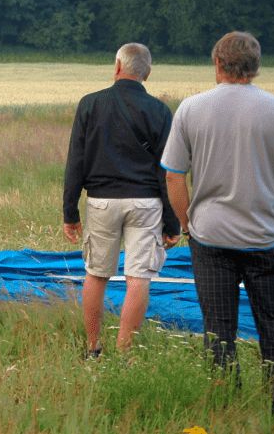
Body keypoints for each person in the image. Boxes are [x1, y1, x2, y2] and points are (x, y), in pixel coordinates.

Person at [161, 31, 274, 420]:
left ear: (217, 63)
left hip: (210, 239)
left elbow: (174, 175)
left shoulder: (191, 109)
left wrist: (186, 222)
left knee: (218, 331)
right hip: (266, 239)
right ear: (255, 65)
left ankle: (225, 405)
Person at [62, 43, 180, 356]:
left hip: (101, 201)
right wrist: (172, 221)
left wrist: (69, 212)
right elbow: (166, 171)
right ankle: (125, 353)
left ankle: (92, 348)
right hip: (146, 203)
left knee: (96, 274)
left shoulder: (89, 104)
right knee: (138, 278)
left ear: (117, 66)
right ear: (148, 73)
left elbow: (76, 161)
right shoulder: (159, 111)